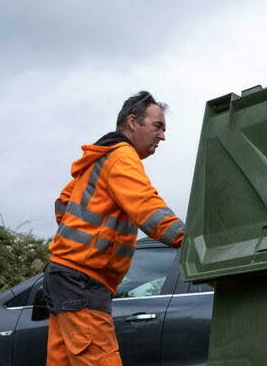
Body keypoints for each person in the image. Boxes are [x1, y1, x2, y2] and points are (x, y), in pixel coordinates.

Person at [45, 91, 185, 366]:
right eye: (158, 126)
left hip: (63, 275)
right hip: (83, 280)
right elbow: (150, 210)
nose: (162, 136)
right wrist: (192, 242)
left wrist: (88, 235)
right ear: (133, 122)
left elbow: (63, 205)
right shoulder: (122, 157)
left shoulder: (100, 158)